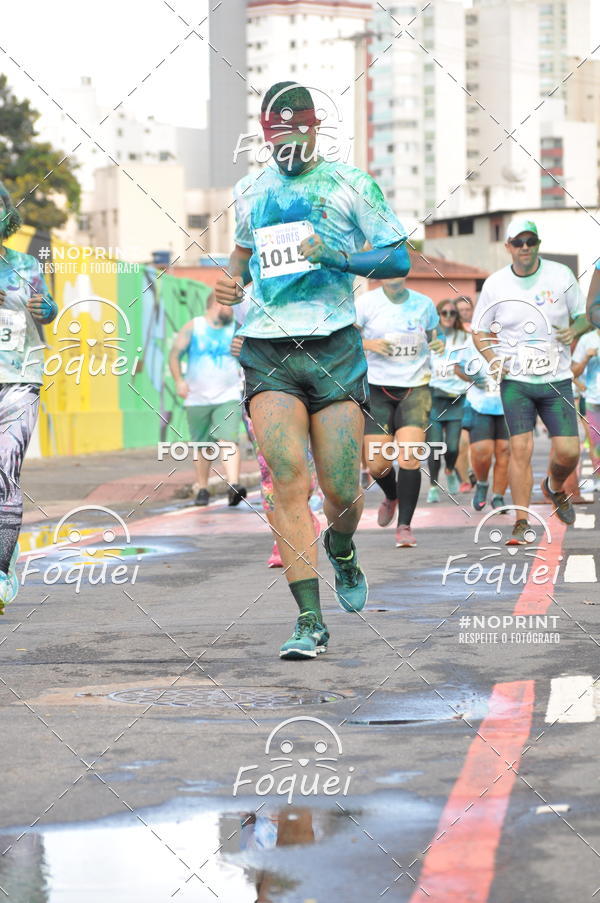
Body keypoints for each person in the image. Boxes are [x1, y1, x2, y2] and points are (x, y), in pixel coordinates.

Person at [216, 81, 409, 660]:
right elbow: (244, 258)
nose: (283, 144)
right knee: (287, 486)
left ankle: (344, 549)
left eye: (293, 132)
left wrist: (336, 257)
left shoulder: (350, 183)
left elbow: (397, 256)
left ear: (313, 127)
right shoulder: (250, 189)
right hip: (267, 352)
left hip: (334, 350)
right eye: (273, 135)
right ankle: (308, 620)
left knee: (341, 490)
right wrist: (232, 283)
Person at [473, 219, 588, 544]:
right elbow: (479, 330)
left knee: (568, 452)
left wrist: (576, 329)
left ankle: (553, 486)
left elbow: (582, 314)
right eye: (518, 242)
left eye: (531, 241)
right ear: (508, 246)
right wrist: (493, 358)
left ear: (538, 243)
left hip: (557, 379)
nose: (525, 247)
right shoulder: (495, 284)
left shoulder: (560, 275)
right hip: (516, 380)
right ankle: (522, 521)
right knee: (519, 448)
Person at [0, 181, 58, 610]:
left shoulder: (23, 264)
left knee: (6, 472)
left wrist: (46, 309)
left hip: (20, 377)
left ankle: (0, 572)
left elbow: (47, 306)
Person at [356, 276, 438, 547]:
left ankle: (404, 526)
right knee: (377, 464)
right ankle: (392, 496)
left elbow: (437, 336)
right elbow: (346, 337)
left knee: (410, 458)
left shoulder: (424, 304)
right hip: (378, 388)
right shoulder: (366, 303)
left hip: (415, 387)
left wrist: (439, 344)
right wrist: (369, 344)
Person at [169, 295, 246, 507]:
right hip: (197, 397)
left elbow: (248, 355)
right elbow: (175, 354)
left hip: (228, 395)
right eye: (229, 307)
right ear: (216, 305)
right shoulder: (195, 327)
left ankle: (234, 485)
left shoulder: (236, 329)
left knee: (228, 439)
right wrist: (179, 381)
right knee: (203, 445)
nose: (231, 311)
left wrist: (242, 352)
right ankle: (202, 488)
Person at [426, 298, 472, 503]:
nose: (448, 317)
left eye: (452, 313)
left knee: (453, 447)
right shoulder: (429, 337)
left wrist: (460, 370)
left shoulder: (465, 338)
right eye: (444, 313)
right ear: (438, 315)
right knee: (435, 445)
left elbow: (473, 370)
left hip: (457, 399)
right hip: (434, 397)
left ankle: (451, 470)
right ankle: (433, 486)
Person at [463, 343, 510, 512]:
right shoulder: (472, 342)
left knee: (504, 450)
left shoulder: (513, 338)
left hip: (509, 405)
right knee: (482, 451)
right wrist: (471, 377)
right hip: (480, 405)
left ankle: (498, 497)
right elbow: (458, 368)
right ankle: (482, 484)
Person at [572, 327, 600, 491]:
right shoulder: (586, 339)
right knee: (595, 441)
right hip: (591, 399)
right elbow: (572, 371)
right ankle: (598, 479)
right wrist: (587, 357)